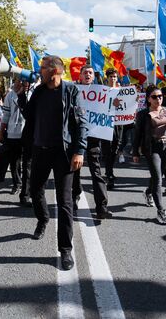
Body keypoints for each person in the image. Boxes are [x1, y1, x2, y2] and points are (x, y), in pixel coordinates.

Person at [18, 55, 87, 271]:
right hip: (40, 150)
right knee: (35, 189)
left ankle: (65, 250)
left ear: (55, 70)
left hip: (64, 153)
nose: (40, 71)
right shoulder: (38, 91)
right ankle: (43, 218)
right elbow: (28, 115)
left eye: (43, 68)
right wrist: (21, 95)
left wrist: (79, 150)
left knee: (64, 201)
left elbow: (81, 123)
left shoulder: (71, 91)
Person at [72, 65, 113, 219]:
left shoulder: (102, 91)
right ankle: (74, 200)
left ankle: (101, 207)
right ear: (80, 76)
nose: (88, 75)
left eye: (90, 73)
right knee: (74, 171)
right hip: (76, 138)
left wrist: (114, 105)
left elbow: (111, 108)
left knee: (96, 172)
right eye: (85, 73)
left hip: (93, 138)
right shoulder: (74, 90)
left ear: (93, 76)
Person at [132, 86, 166, 225]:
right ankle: (161, 211)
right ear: (148, 99)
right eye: (154, 97)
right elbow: (137, 134)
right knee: (157, 177)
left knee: (159, 175)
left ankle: (148, 192)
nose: (158, 99)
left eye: (160, 96)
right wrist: (135, 152)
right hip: (151, 148)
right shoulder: (143, 114)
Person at [0, 77, 31, 204]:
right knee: (14, 162)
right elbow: (5, 116)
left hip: (28, 134)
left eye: (26, 81)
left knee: (28, 164)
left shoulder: (33, 93)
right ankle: (17, 183)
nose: (24, 83)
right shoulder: (10, 95)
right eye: (21, 81)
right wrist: (1, 133)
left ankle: (26, 190)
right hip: (12, 134)